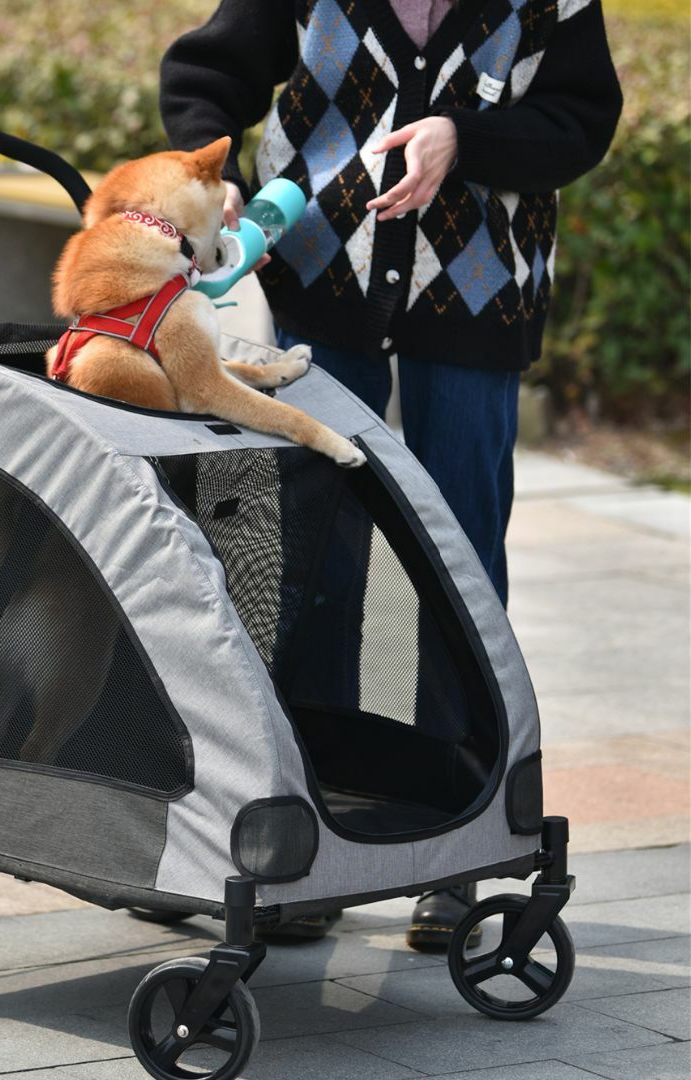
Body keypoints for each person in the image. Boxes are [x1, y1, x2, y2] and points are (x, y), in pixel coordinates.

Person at [160, 0, 622, 949]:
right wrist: (211, 176)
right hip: (323, 288)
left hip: (478, 302)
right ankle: (314, 838)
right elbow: (207, 77)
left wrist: (466, 138)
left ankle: (461, 843)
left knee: (460, 557)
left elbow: (581, 121)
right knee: (319, 553)